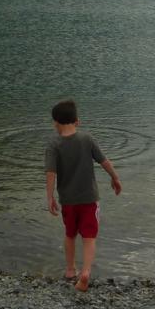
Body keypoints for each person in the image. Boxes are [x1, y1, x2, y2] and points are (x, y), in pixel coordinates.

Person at [45, 99, 122, 292]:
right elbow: (104, 161)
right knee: (89, 237)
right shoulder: (87, 139)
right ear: (77, 121)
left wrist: (50, 197)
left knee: (70, 234)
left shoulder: (54, 145)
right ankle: (86, 272)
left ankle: (70, 270)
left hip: (68, 201)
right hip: (89, 199)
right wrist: (115, 178)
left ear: (55, 122)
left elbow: (50, 173)